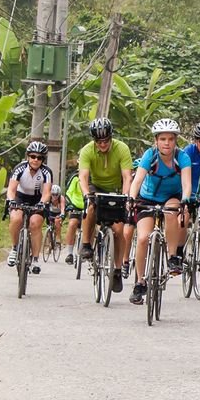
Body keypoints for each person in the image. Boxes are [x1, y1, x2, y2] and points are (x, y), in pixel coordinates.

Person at [128, 118, 192, 305]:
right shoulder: (150, 155)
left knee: (172, 211)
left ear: (175, 140)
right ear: (156, 140)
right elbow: (137, 181)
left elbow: (186, 184)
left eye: (170, 139)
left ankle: (172, 256)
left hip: (172, 196)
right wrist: (132, 198)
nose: (167, 143)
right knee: (142, 238)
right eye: (162, 139)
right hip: (147, 198)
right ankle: (140, 282)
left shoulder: (182, 157)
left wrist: (186, 199)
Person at [78, 117, 133, 294]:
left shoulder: (122, 148)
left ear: (111, 137)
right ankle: (86, 244)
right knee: (90, 207)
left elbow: (127, 177)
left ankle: (117, 270)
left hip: (116, 189)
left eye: (106, 140)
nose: (102, 144)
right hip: (95, 187)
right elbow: (83, 177)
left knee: (118, 230)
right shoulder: (87, 151)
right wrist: (87, 194)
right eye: (99, 141)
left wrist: (126, 197)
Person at [5, 141, 53, 273]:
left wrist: (42, 203)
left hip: (37, 199)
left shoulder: (46, 172)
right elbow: (11, 189)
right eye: (33, 156)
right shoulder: (20, 168)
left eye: (39, 157)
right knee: (16, 218)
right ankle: (14, 249)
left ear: (43, 159)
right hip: (20, 196)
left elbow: (47, 192)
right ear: (28, 156)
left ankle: (35, 259)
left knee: (35, 223)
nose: (36, 160)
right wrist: (11, 200)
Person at [63, 172, 84, 264]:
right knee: (72, 224)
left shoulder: (95, 177)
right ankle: (70, 253)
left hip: (89, 205)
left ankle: (87, 249)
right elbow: (69, 192)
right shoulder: (75, 177)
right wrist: (70, 204)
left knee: (92, 227)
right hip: (76, 206)